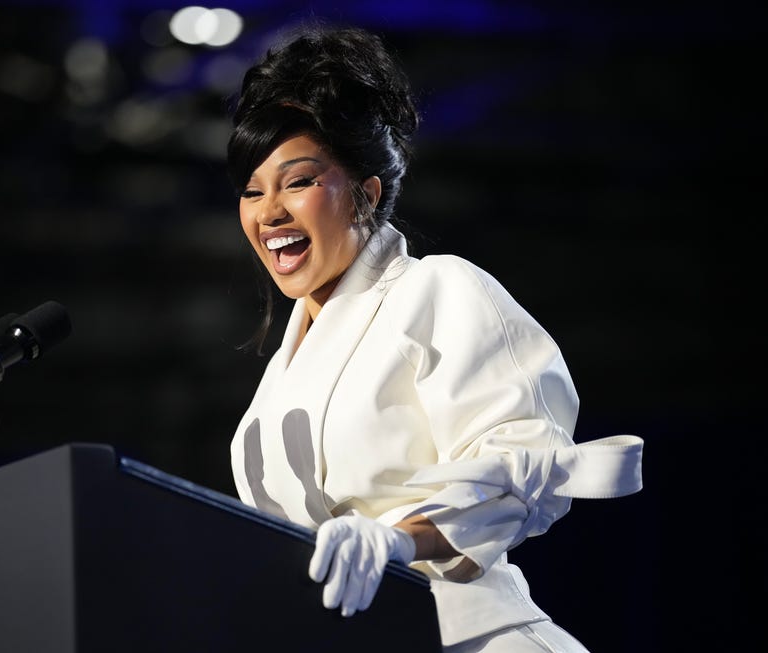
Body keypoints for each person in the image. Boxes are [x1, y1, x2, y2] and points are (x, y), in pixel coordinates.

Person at [225, 23, 644, 653]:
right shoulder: (275, 381)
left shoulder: (437, 290)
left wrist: (396, 541)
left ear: (367, 195)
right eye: (252, 191)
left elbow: (521, 465)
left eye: (299, 181)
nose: (268, 212)